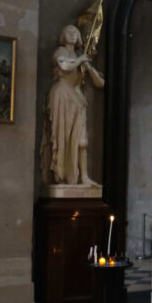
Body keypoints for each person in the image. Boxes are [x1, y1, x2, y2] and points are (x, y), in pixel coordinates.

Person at [40, 25, 104, 185]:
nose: (73, 34)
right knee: (63, 137)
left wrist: (88, 66)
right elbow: (65, 66)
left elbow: (100, 83)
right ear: (63, 35)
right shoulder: (60, 52)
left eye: (76, 32)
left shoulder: (79, 56)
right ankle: (61, 176)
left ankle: (83, 176)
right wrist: (80, 60)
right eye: (69, 31)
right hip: (62, 96)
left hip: (77, 99)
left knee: (81, 140)